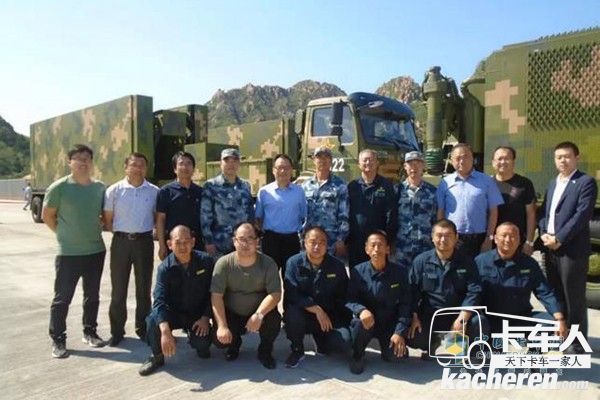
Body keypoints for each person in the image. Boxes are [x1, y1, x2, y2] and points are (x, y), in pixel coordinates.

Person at [41, 144, 107, 358]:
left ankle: (90, 332)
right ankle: (58, 339)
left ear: (91, 162)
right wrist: (64, 235)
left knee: (92, 296)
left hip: (95, 251)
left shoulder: (100, 188)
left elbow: (103, 216)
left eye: (86, 158)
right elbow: (47, 216)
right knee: (62, 298)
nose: (82, 162)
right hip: (68, 253)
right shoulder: (59, 187)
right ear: (69, 162)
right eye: (78, 158)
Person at [538, 141, 597, 353]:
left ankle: (577, 343)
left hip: (571, 249)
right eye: (559, 157)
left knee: (574, 298)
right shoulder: (553, 183)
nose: (563, 160)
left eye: (567, 156)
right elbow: (545, 212)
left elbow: (581, 215)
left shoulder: (585, 182)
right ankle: (562, 336)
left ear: (576, 158)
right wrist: (543, 233)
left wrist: (560, 238)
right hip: (550, 247)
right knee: (557, 295)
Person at [138, 225, 214, 376]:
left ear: (193, 242)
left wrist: (205, 317)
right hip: (173, 313)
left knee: (203, 346)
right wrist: (165, 331)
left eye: (186, 241)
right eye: (178, 242)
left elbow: (213, 293)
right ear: (169, 244)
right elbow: (159, 300)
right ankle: (157, 356)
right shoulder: (164, 268)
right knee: (153, 321)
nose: (183, 246)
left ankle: (196, 339)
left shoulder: (206, 261)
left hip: (196, 314)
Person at [475, 222, 567, 341]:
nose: (508, 240)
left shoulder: (529, 263)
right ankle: (483, 350)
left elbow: (545, 292)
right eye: (504, 235)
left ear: (519, 240)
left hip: (520, 318)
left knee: (551, 323)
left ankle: (532, 352)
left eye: (513, 236)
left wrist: (559, 318)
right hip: (491, 319)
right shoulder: (481, 262)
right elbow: (471, 292)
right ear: (496, 239)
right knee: (476, 322)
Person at [103, 153, 159, 346]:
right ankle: (117, 331)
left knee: (144, 289)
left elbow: (156, 217)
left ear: (146, 168)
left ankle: (143, 328)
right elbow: (108, 220)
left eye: (142, 165)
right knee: (118, 290)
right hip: (121, 243)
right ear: (126, 167)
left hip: (144, 243)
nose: (138, 168)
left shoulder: (154, 191)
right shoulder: (114, 190)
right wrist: (123, 234)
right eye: (133, 165)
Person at [408, 219, 482, 360]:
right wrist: (414, 315)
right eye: (439, 235)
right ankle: (432, 343)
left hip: (457, 314)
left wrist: (462, 318)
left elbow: (474, 291)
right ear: (432, 237)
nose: (443, 240)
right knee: (413, 335)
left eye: (448, 236)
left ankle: (462, 348)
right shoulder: (421, 261)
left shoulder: (467, 262)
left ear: (456, 237)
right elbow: (412, 291)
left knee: (478, 322)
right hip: (431, 314)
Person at [211, 223, 282, 369]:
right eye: (241, 239)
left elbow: (275, 294)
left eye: (250, 239)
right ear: (234, 241)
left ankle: (265, 350)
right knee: (218, 341)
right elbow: (216, 296)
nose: (245, 243)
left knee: (274, 319)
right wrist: (222, 326)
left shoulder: (268, 263)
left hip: (258, 312)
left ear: (257, 241)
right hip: (232, 313)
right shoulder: (223, 263)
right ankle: (234, 344)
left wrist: (259, 315)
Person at [283, 226, 351, 368]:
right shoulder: (293, 263)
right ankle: (297, 349)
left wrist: (342, 320)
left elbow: (344, 295)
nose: (317, 246)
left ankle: (321, 340)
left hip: (328, 316)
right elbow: (292, 293)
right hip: (303, 313)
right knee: (292, 313)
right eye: (313, 242)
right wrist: (316, 309)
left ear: (327, 245)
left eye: (322, 243)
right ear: (304, 243)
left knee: (344, 343)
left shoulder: (337, 266)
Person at [346, 231, 411, 374]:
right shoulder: (358, 271)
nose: (376, 249)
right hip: (367, 322)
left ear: (387, 249)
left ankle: (391, 347)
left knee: (395, 357)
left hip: (388, 322)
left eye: (380, 245)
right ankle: (357, 355)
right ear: (366, 249)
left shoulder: (400, 272)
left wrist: (399, 332)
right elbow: (350, 299)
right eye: (373, 245)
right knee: (358, 324)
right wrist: (361, 310)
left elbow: (406, 304)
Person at [436, 143, 504, 259]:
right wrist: (444, 236)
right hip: (454, 238)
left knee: (480, 268)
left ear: (473, 158)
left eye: (466, 157)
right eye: (458, 158)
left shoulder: (486, 181)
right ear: (452, 161)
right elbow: (441, 211)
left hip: (480, 238)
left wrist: (489, 238)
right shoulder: (445, 183)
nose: (462, 161)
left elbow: (493, 211)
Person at [255, 154, 306, 275]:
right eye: (279, 168)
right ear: (273, 170)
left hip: (291, 240)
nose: (283, 171)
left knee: (291, 277)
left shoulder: (299, 192)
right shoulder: (264, 192)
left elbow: (303, 215)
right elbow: (258, 218)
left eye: (286, 168)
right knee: (268, 277)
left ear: (291, 170)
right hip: (271, 240)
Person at [347, 149, 397, 268]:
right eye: (365, 160)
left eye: (371, 160)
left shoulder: (386, 185)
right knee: (357, 273)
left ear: (377, 163)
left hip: (378, 243)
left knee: (380, 272)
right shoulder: (352, 186)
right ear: (359, 164)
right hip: (356, 242)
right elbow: (346, 212)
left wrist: (389, 240)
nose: (368, 163)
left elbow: (391, 214)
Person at [200, 148, 254, 258]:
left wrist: (252, 238)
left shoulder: (245, 186)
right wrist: (208, 241)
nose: (231, 164)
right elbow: (205, 217)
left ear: (239, 163)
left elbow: (250, 214)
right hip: (219, 243)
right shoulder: (211, 186)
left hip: (242, 243)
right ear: (220, 163)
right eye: (227, 161)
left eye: (234, 160)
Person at [301, 147, 349, 257]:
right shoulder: (305, 186)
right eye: (319, 157)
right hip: (310, 240)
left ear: (331, 161)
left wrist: (341, 239)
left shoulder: (340, 185)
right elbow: (300, 214)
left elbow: (344, 215)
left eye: (326, 157)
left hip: (331, 240)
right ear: (314, 160)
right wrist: (301, 236)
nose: (323, 160)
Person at [156, 151, 203, 260]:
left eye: (189, 163)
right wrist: (162, 245)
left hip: (197, 244)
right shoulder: (165, 192)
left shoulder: (201, 192)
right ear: (175, 169)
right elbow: (160, 219)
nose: (185, 167)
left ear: (193, 168)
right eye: (181, 164)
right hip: (175, 244)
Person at [394, 151, 437, 267]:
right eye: (410, 164)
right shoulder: (397, 190)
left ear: (423, 166)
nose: (414, 167)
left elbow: (436, 220)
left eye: (418, 163)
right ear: (405, 167)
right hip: (402, 247)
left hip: (425, 246)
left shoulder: (432, 192)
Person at [491, 146, 536, 255]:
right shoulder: (487, 184)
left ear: (513, 162)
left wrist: (529, 242)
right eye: (499, 159)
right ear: (493, 162)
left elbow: (531, 214)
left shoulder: (524, 183)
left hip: (517, 241)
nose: (503, 162)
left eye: (507, 158)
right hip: (492, 242)